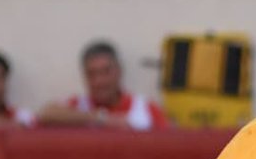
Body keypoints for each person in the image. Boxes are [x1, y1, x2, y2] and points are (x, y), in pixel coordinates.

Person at [38, 40, 166, 130]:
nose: (99, 81)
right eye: (92, 74)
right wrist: (101, 118)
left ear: (119, 71)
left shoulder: (145, 109)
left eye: (106, 72)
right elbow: (45, 114)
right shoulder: (78, 105)